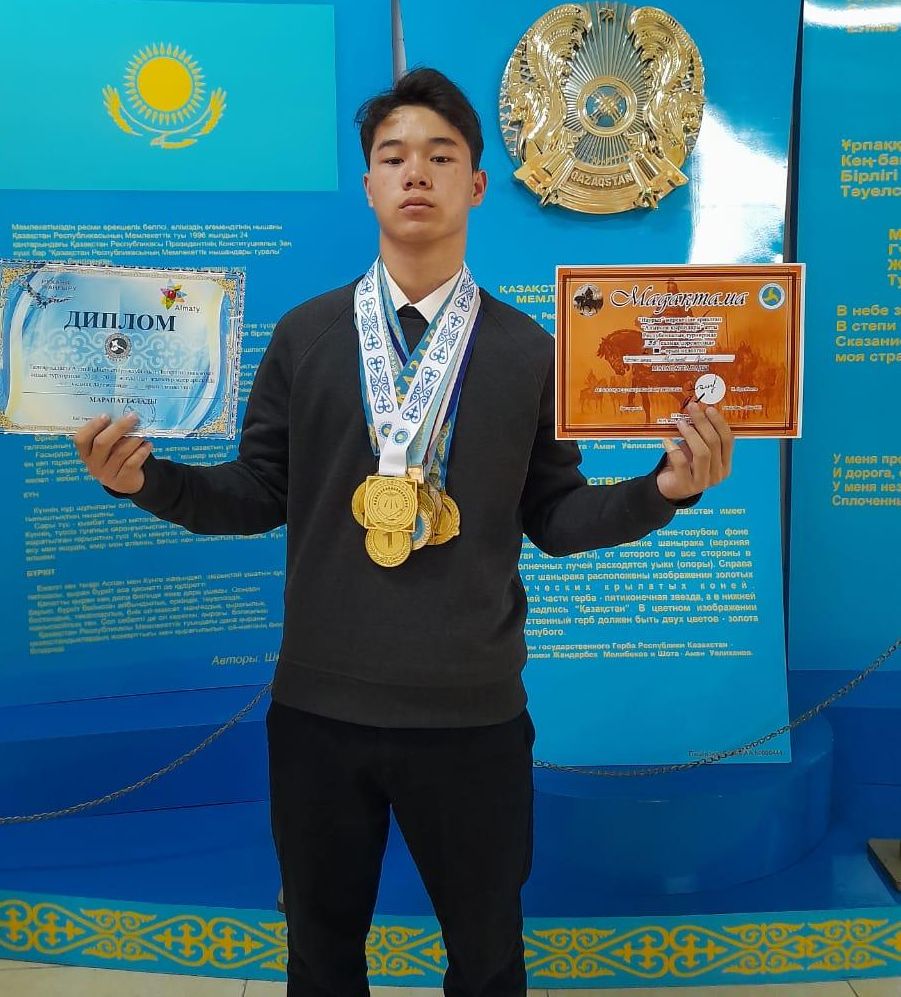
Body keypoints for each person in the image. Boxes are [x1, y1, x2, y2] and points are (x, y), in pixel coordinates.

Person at [74, 68, 734, 997]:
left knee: (488, 959)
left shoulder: (529, 352)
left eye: (440, 156)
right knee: (321, 958)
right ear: (369, 185)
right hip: (318, 713)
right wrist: (146, 480)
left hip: (473, 719)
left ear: (477, 184)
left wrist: (663, 490)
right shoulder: (306, 336)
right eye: (393, 157)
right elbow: (256, 494)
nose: (415, 173)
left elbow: (554, 516)